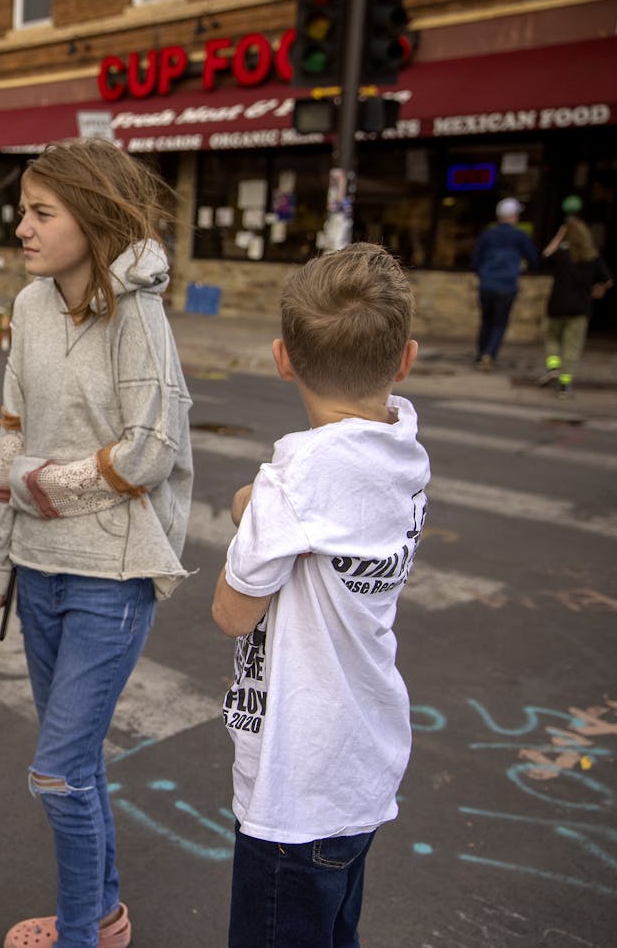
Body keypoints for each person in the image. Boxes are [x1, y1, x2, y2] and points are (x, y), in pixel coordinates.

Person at [0, 138, 193, 948]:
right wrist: (0, 555)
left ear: (93, 219)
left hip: (113, 573)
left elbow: (151, 449)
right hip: (39, 572)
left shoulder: (138, 314)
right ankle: (101, 916)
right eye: (22, 212)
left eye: (41, 213)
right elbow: (12, 435)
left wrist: (43, 486)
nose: (22, 229)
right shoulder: (31, 307)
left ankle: (75, 937)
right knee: (80, 764)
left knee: (58, 772)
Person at [210, 242, 430, 948]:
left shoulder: (296, 479)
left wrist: (251, 504)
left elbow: (230, 611)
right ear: (405, 360)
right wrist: (261, 502)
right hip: (362, 763)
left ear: (283, 358)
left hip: (296, 787)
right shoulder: (403, 446)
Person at [540, 215, 613, 400]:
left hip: (557, 305)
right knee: (571, 347)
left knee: (552, 338)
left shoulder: (563, 255)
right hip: (580, 307)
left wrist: (558, 237)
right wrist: (599, 289)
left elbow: (545, 256)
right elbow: (608, 279)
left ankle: (553, 367)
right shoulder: (593, 257)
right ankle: (565, 384)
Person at [471, 197, 538, 371]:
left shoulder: (488, 234)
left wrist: (484, 274)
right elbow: (533, 259)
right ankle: (489, 355)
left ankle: (481, 354)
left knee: (486, 321)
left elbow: (475, 260)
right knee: (499, 323)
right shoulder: (519, 236)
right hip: (507, 285)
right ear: (514, 216)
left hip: (487, 284)